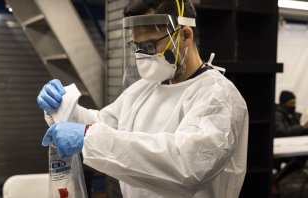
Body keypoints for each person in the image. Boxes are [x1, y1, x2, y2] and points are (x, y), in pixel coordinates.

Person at [36, 0, 249, 197]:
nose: (142, 55)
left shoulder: (218, 96)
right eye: (136, 47)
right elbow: (104, 126)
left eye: (149, 46)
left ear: (185, 36)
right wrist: (64, 108)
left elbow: (189, 165)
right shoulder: (143, 89)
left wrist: (88, 136)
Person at [273, 90, 308, 194]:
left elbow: (297, 131)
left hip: (295, 146)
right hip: (281, 148)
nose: (294, 105)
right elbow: (282, 132)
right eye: (291, 103)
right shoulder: (277, 114)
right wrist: (303, 127)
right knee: (300, 159)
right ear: (284, 103)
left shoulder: (295, 115)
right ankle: (275, 179)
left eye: (295, 102)